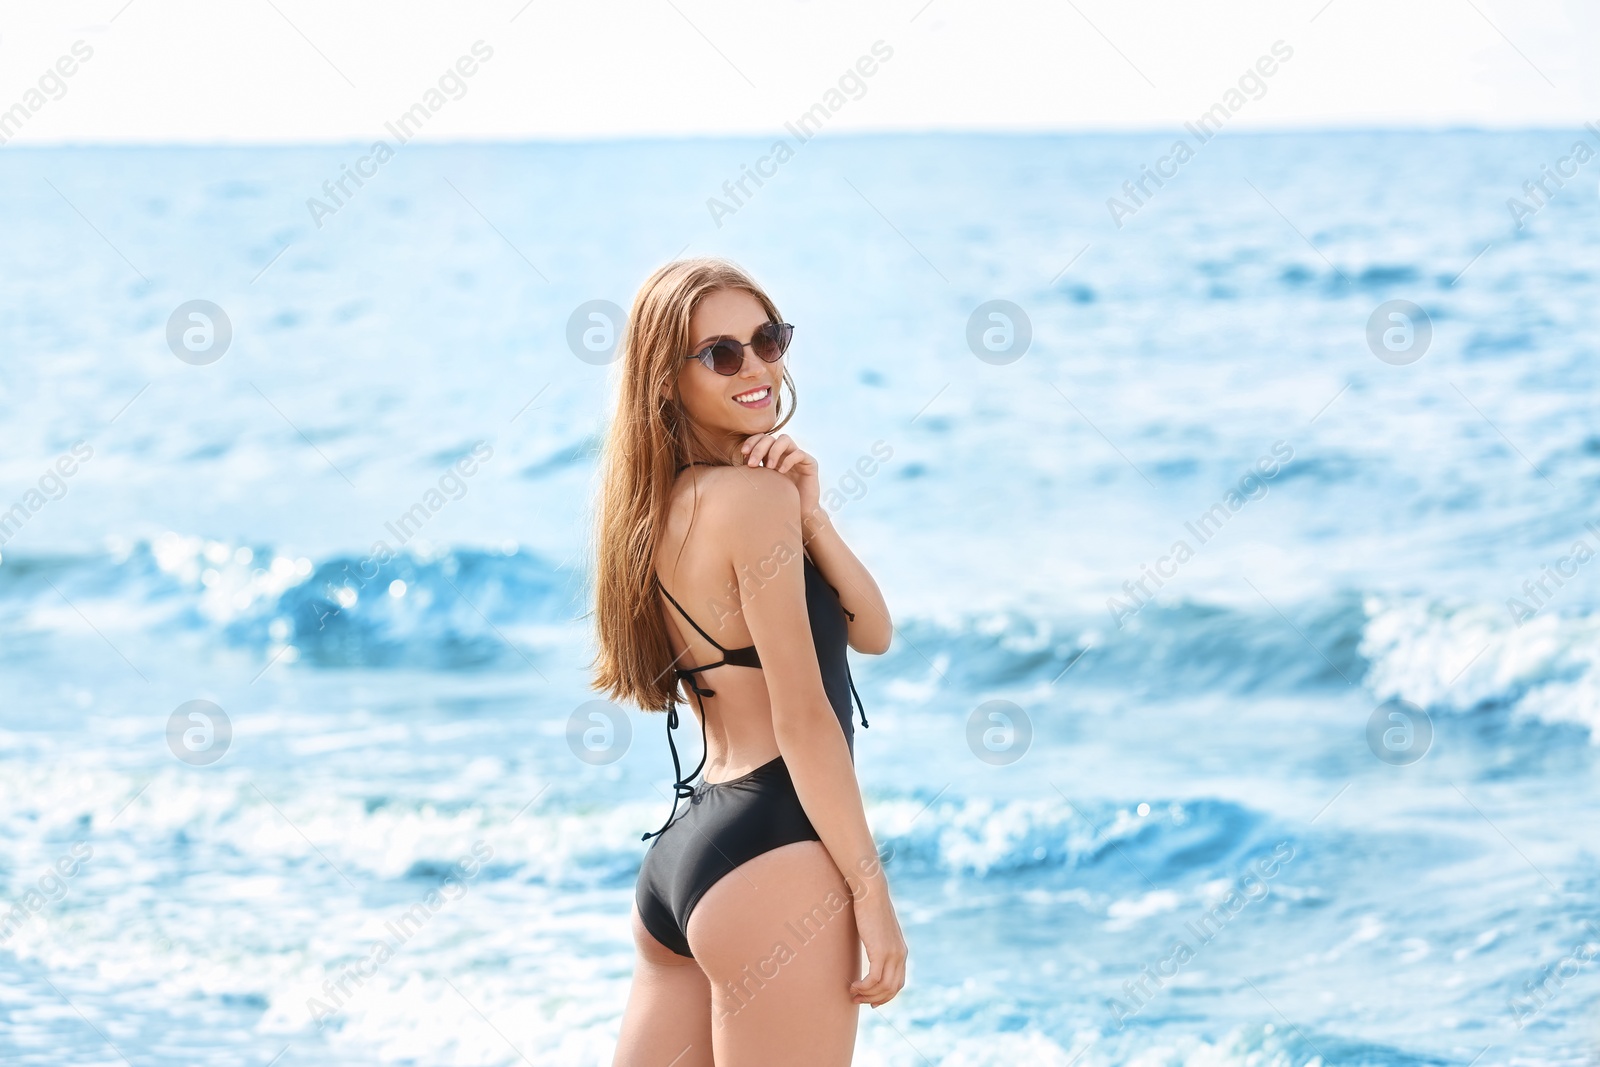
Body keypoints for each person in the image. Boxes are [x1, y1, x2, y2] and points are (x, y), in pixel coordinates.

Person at [589, 256, 907, 1065]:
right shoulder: (749, 501)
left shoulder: (653, 511)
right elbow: (803, 718)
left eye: (767, 339)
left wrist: (815, 517)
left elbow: (872, 630)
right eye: (721, 353)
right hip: (776, 850)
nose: (757, 367)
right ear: (666, 378)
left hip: (685, 858)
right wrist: (873, 896)